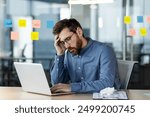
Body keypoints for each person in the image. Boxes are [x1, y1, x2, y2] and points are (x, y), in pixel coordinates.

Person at [50, 18, 120, 93]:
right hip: (79, 100)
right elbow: (56, 84)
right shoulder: (68, 54)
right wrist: (60, 54)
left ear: (79, 32)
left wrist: (72, 87)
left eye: (68, 39)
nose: (66, 46)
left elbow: (106, 84)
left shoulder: (104, 51)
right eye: (63, 42)